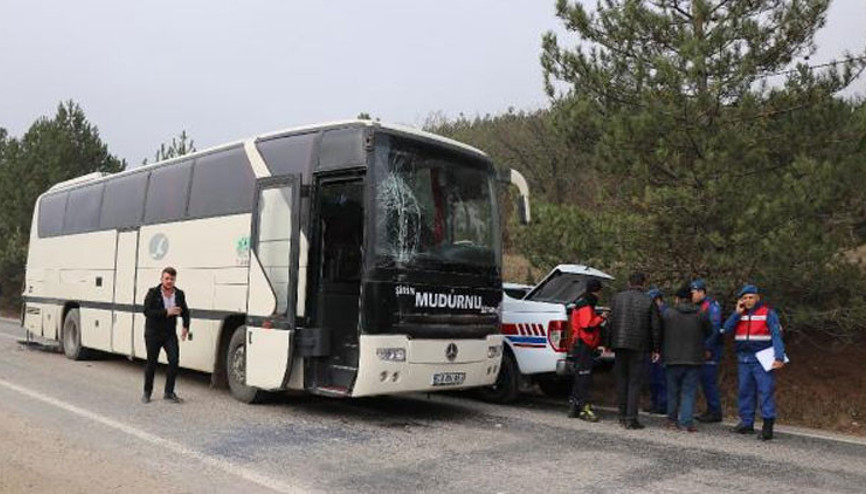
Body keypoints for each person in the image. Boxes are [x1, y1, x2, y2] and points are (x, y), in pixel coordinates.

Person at [723, 284, 786, 440]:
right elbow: (726, 329)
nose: (748, 300)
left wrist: (779, 357)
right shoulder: (740, 314)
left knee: (765, 391)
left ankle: (767, 425)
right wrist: (736, 313)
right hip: (744, 358)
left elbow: (776, 336)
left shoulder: (768, 313)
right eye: (745, 298)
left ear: (757, 298)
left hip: (762, 359)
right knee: (745, 391)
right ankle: (746, 423)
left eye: (751, 297)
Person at [608, 272, 662, 429]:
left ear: (628, 283)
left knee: (622, 380)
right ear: (643, 283)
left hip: (619, 345)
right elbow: (655, 327)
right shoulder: (648, 300)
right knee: (634, 382)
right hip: (639, 346)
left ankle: (622, 415)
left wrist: (608, 343)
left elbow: (611, 323)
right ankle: (631, 418)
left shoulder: (617, 299)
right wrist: (656, 348)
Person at [662, 286, 712, 432]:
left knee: (672, 391)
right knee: (688, 392)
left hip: (672, 358)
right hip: (694, 358)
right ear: (691, 299)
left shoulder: (668, 314)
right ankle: (686, 422)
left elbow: (660, 332)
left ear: (677, 299)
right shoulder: (701, 314)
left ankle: (671, 421)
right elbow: (709, 331)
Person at [142, 267, 190, 404]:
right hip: (153, 333)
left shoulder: (179, 294)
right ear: (162, 279)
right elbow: (146, 311)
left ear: (175, 280)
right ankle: (147, 392)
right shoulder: (153, 293)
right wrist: (166, 312)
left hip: (169, 334)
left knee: (174, 360)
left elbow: (185, 311)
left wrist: (186, 326)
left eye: (172, 279)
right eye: (167, 278)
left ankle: (169, 392)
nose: (169, 281)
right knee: (152, 363)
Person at [567, 278, 607, 422]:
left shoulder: (582, 302)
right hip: (584, 344)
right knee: (584, 378)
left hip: (581, 344)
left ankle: (574, 407)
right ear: (597, 291)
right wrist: (601, 318)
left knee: (580, 377)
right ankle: (585, 409)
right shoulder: (585, 303)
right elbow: (587, 325)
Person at [690, 279, 724, 423]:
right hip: (700, 348)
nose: (691, 295)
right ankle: (710, 409)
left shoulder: (711, 307)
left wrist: (707, 348)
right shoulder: (698, 306)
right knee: (704, 381)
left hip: (710, 350)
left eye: (693, 293)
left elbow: (714, 330)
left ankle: (715, 411)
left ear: (701, 292)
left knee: (709, 381)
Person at [646, 287, 667, 415]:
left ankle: (662, 404)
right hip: (653, 350)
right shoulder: (653, 313)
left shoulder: (665, 313)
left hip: (663, 350)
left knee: (661, 379)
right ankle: (655, 403)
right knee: (653, 379)